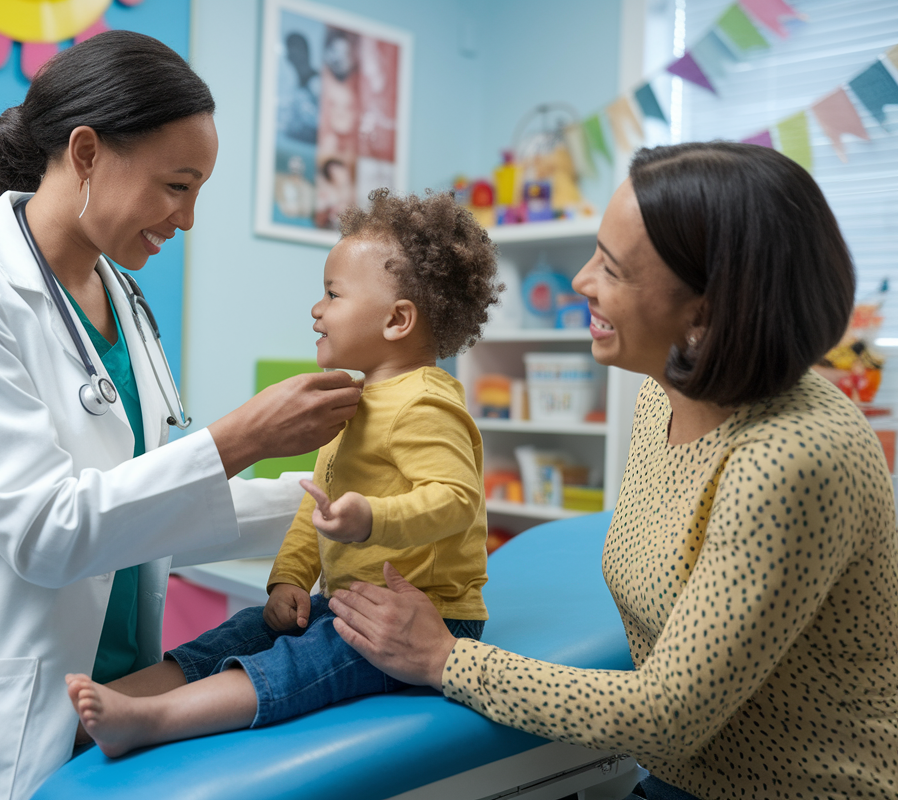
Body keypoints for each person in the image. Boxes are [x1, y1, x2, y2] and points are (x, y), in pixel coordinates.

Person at [0, 31, 362, 800]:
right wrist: (240, 438)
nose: (186, 220)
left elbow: (151, 505)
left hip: (119, 698)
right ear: (86, 152)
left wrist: (343, 510)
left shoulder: (125, 300)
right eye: (175, 186)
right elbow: (47, 532)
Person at [330, 142, 898, 800]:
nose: (581, 282)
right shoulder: (666, 389)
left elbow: (666, 719)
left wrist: (445, 658)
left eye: (614, 269)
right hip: (686, 777)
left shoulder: (790, 459)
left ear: (703, 314)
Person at [63, 189, 500, 757]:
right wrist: (289, 580)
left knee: (303, 662)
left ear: (397, 320)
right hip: (349, 601)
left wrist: (372, 517)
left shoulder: (425, 404)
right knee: (242, 631)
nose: (316, 309)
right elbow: (314, 509)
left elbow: (457, 501)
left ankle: (151, 719)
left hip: (428, 617)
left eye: (333, 294)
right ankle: (94, 713)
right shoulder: (355, 400)